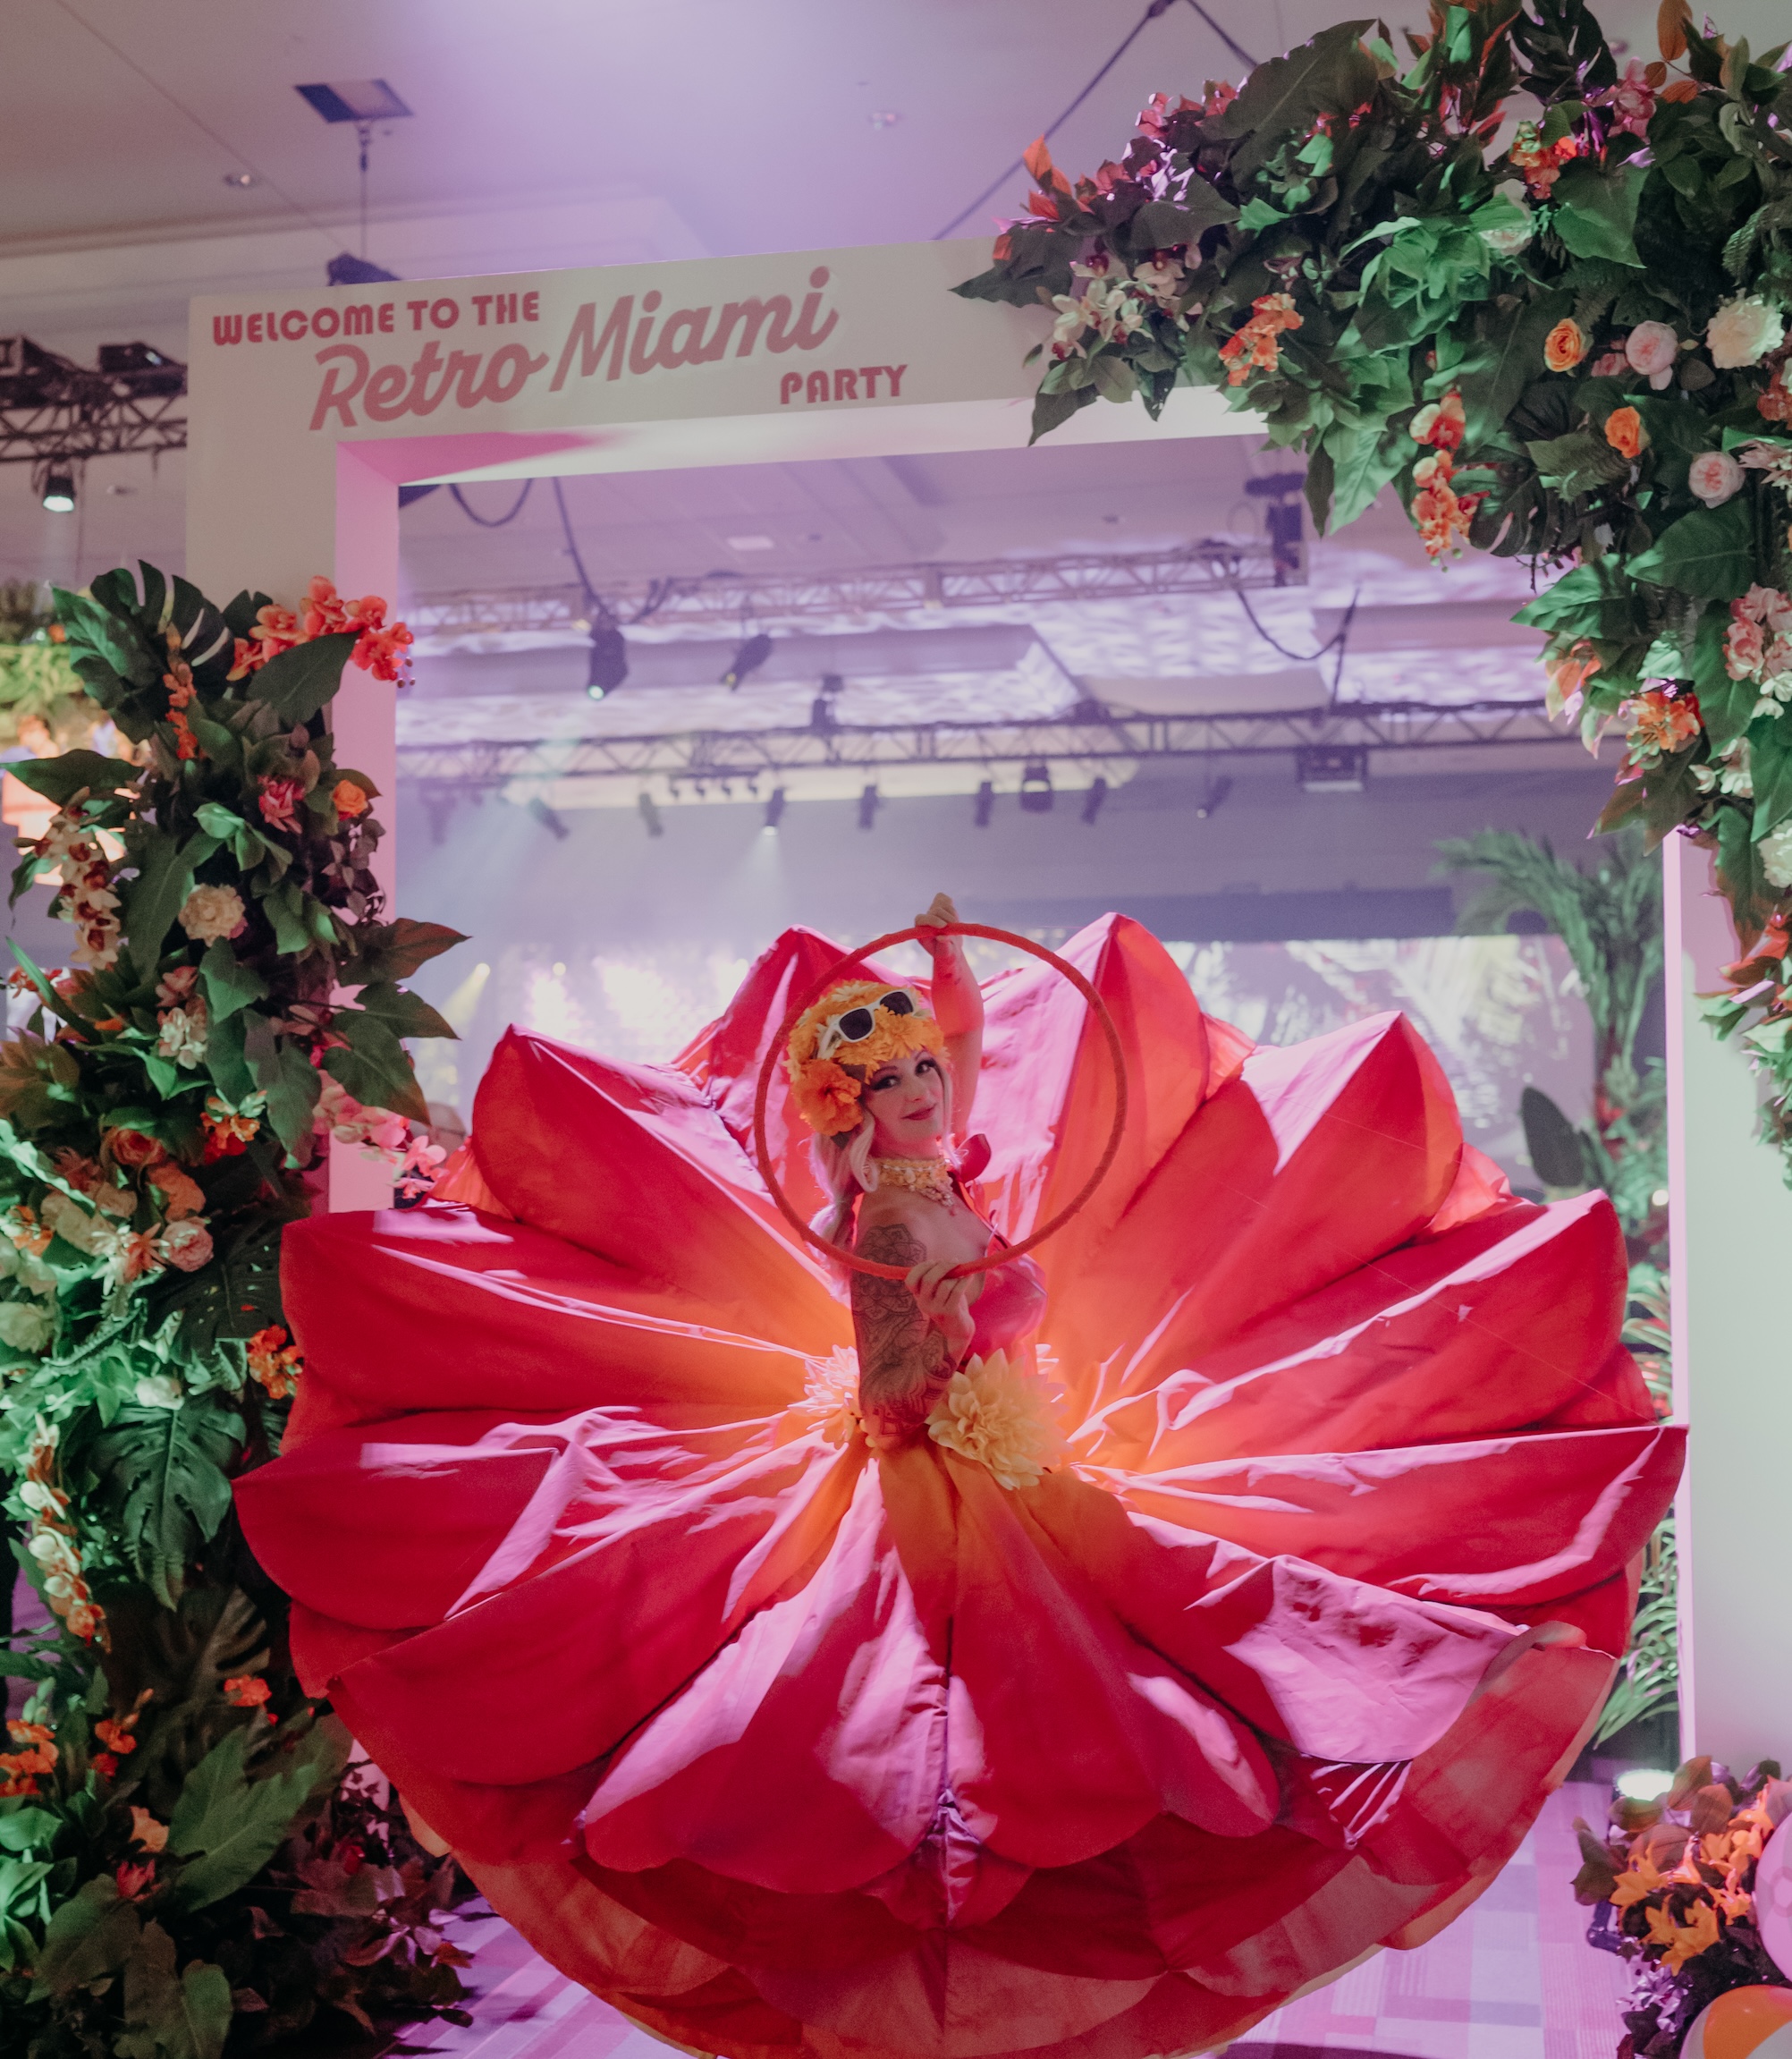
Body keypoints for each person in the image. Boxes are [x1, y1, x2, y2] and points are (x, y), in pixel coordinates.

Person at [236, 900, 1681, 2059]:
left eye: (931, 1066)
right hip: (933, 1451)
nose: (934, 1089)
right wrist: (994, 1332)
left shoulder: (923, 1182)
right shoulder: (891, 1219)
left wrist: (946, 992)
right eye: (904, 1078)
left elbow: (975, 1198)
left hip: (991, 1434)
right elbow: (914, 1356)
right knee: (964, 1747)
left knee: (1122, 1699)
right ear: (852, 1109)